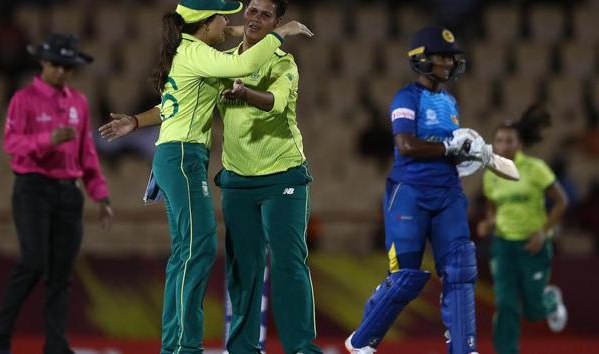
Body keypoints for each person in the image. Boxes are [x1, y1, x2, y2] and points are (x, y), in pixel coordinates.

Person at [97, 1, 313, 353]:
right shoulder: (198, 52)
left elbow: (170, 106)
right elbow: (243, 63)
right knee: (197, 247)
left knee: (187, 250)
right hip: (183, 156)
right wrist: (280, 33)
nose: (230, 21)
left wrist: (134, 121)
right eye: (222, 17)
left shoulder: (193, 50)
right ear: (206, 24)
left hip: (179, 155)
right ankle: (183, 347)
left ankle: (177, 344)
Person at [345, 26, 487, 354]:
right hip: (410, 192)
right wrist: (451, 147)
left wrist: (467, 154)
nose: (448, 65)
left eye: (452, 59)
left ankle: (465, 349)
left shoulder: (450, 101)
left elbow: (449, 148)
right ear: (421, 59)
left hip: (448, 192)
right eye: (441, 58)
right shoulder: (405, 98)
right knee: (405, 278)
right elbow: (406, 145)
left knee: (461, 270)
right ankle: (361, 342)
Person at [0, 33, 114, 354]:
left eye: (67, 66)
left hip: (69, 193)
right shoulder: (23, 100)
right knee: (33, 260)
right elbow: (11, 144)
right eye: (56, 64)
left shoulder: (79, 102)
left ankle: (55, 345)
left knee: (61, 274)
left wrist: (101, 194)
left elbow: (87, 154)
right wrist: (47, 140)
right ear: (43, 62)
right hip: (33, 188)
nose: (62, 72)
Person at [215, 0, 321, 353]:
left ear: (278, 21)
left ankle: (301, 348)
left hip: (282, 177)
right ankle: (243, 348)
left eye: (265, 14)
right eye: (251, 11)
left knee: (289, 263)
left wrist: (245, 92)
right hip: (237, 179)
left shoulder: (284, 63)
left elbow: (274, 102)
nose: (255, 18)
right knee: (242, 268)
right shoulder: (226, 62)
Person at [476, 103, 568, 354]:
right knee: (505, 304)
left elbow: (561, 201)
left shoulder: (536, 169)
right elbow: (493, 206)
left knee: (533, 311)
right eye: (499, 140)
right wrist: (489, 222)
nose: (504, 145)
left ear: (520, 143)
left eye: (509, 140)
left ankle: (548, 301)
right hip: (504, 245)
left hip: (533, 244)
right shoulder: (491, 173)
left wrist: (542, 231)